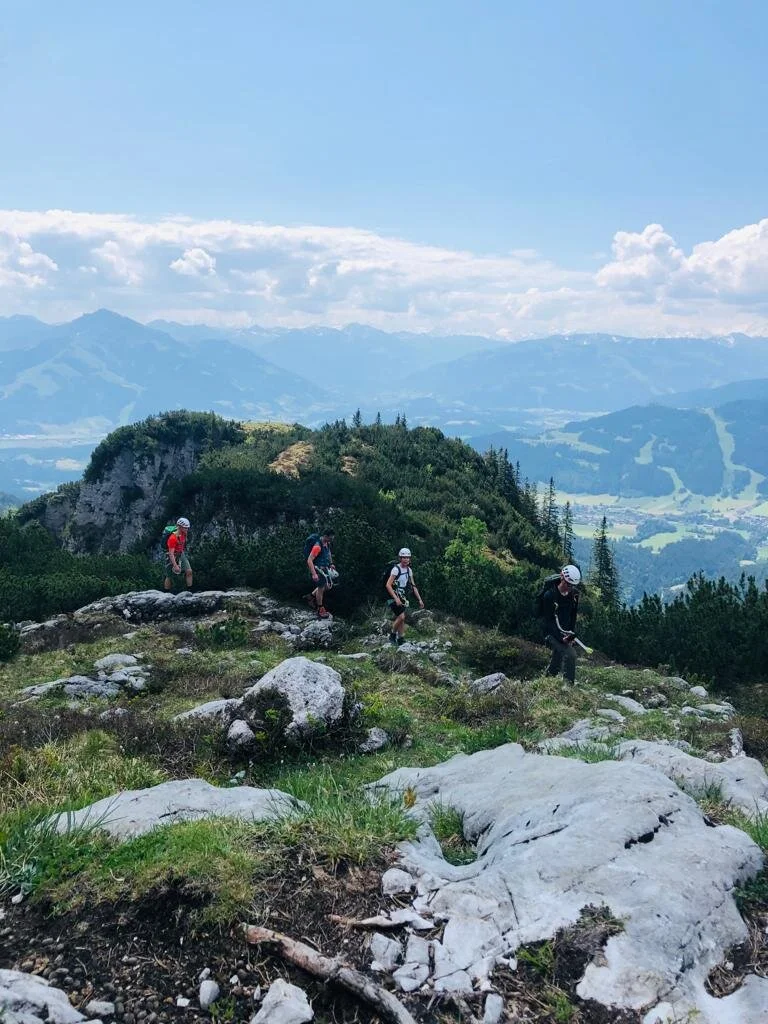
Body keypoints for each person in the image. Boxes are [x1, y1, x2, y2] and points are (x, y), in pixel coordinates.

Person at [540, 564, 581, 685]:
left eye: (573, 585)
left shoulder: (574, 595)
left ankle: (545, 681)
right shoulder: (550, 596)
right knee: (571, 655)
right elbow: (548, 621)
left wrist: (571, 634)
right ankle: (569, 687)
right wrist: (561, 638)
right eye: (568, 584)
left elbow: (573, 615)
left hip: (564, 633)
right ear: (562, 577)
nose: (570, 588)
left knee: (557, 658)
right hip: (550, 632)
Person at [385, 547, 425, 645]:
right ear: (400, 558)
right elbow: (388, 585)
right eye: (404, 557)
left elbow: (413, 585)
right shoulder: (396, 569)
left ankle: (401, 638)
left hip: (402, 596)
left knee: (401, 617)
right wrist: (395, 598)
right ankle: (392, 635)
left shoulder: (409, 570)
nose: (406, 559)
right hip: (392, 595)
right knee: (402, 617)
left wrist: (419, 599)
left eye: (408, 557)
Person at [306, 528, 336, 619]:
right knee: (321, 588)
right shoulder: (317, 546)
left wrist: (331, 563)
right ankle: (320, 609)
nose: (331, 540)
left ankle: (310, 596)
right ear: (326, 536)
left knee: (328, 586)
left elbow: (329, 553)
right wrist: (314, 574)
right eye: (330, 538)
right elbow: (309, 560)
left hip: (325, 568)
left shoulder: (327, 543)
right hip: (318, 570)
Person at [164, 517, 193, 591]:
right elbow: (171, 554)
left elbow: (183, 543)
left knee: (189, 571)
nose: (187, 529)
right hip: (172, 555)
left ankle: (190, 590)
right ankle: (166, 593)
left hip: (180, 553)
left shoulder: (184, 534)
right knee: (169, 576)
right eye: (185, 528)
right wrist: (175, 565)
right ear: (180, 527)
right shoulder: (172, 538)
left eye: (187, 528)